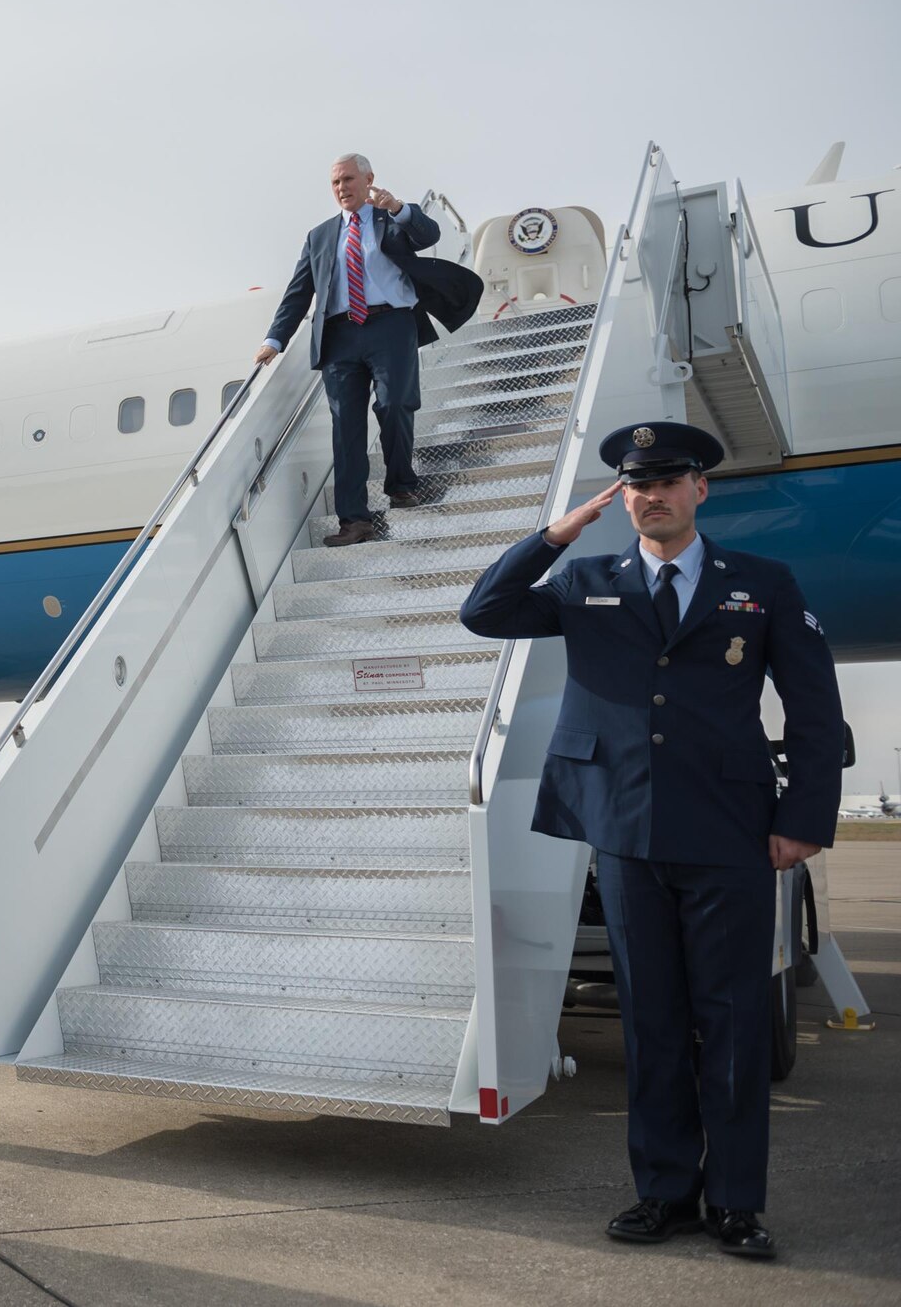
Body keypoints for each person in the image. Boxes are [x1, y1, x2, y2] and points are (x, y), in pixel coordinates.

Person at [459, 421, 844, 1259]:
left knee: (735, 1022)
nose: (652, 494)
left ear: (701, 489)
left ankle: (736, 1203)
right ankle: (663, 1191)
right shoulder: (585, 579)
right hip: (625, 832)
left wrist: (804, 820)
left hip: (733, 832)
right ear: (621, 495)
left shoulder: (763, 582)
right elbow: (482, 611)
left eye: (670, 480)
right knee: (654, 1024)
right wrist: (553, 535)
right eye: (637, 483)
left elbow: (816, 710)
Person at [256, 152, 482, 545]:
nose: (342, 188)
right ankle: (354, 521)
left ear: (368, 179)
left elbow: (429, 235)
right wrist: (274, 340)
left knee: (395, 404)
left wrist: (397, 207)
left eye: (348, 179)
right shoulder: (320, 236)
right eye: (335, 183)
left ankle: (400, 485)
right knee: (346, 429)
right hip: (339, 336)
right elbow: (298, 293)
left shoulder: (388, 219)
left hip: (390, 325)